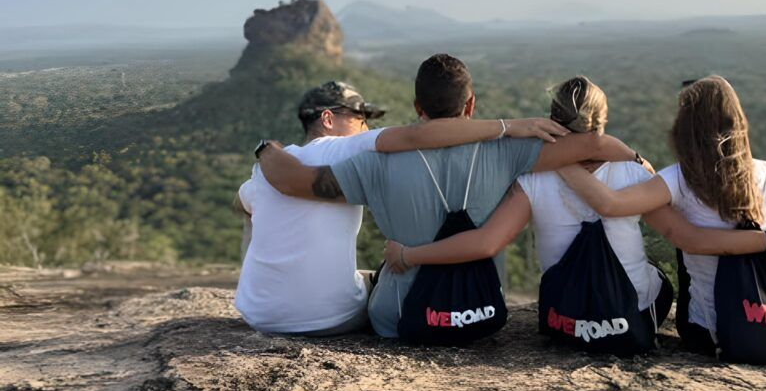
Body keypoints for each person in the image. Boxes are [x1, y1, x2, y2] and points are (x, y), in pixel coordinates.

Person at [257, 54, 647, 339]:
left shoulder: (375, 161)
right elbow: (590, 146)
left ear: (417, 108)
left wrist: (267, 148)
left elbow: (292, 181)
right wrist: (636, 159)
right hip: (479, 312)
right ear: (471, 104)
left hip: (398, 320)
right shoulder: (508, 151)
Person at [381, 76, 766, 336]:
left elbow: (486, 243)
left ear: (552, 120)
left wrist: (410, 254)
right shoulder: (635, 172)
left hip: (564, 317)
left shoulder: (531, 177)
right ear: (602, 125)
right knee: (658, 274)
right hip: (629, 315)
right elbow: (683, 234)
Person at [234, 78, 569, 337]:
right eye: (360, 117)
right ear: (328, 118)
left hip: (257, 313)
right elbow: (419, 136)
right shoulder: (349, 148)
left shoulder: (265, 170)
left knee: (262, 224)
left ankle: (271, 288)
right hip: (329, 319)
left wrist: (266, 149)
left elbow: (242, 202)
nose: (366, 126)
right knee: (373, 280)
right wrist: (508, 127)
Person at [555, 75, 766, 356]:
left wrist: (559, 161)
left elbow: (610, 205)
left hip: (710, 331)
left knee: (665, 262)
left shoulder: (678, 181)